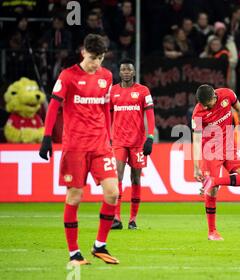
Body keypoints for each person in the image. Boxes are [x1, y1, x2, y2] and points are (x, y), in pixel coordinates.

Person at [39, 34, 120, 265]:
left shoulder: (106, 76)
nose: (97, 63)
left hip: (100, 144)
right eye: (93, 57)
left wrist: (109, 136)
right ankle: (74, 253)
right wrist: (46, 137)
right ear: (83, 52)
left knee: (113, 192)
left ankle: (100, 246)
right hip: (75, 146)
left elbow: (105, 109)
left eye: (101, 58)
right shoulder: (68, 76)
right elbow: (54, 106)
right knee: (75, 196)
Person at [192, 85, 240, 241]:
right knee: (213, 192)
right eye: (203, 105)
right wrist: (195, 167)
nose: (206, 107)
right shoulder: (197, 113)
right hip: (210, 151)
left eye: (208, 104)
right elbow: (196, 140)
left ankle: (214, 181)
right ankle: (212, 232)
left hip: (229, 148)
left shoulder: (227, 94)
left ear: (215, 96)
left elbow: (239, 109)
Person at [110, 59, 155, 230]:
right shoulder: (112, 91)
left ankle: (132, 219)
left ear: (134, 72)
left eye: (129, 70)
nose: (126, 72)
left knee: (135, 179)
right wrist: (107, 136)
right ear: (120, 72)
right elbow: (107, 115)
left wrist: (150, 137)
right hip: (119, 141)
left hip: (138, 142)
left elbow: (150, 115)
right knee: (117, 177)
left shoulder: (143, 91)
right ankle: (116, 217)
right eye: (123, 70)